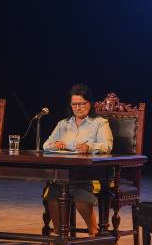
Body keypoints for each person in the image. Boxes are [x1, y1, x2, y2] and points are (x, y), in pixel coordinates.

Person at [43, 83, 113, 236]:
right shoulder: (63, 124)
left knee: (78, 191)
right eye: (74, 104)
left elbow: (107, 146)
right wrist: (55, 144)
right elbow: (46, 145)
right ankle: (59, 234)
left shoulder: (99, 123)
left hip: (90, 174)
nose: (78, 107)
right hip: (65, 174)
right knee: (54, 193)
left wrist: (89, 147)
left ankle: (94, 232)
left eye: (82, 104)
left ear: (90, 103)